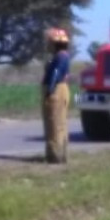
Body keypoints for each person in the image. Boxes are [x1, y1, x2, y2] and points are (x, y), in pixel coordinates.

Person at [41, 27, 72, 164]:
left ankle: (55, 156)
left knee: (54, 122)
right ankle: (61, 155)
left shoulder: (60, 56)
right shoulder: (64, 56)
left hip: (56, 90)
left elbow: (55, 73)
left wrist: (50, 90)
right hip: (62, 88)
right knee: (60, 123)